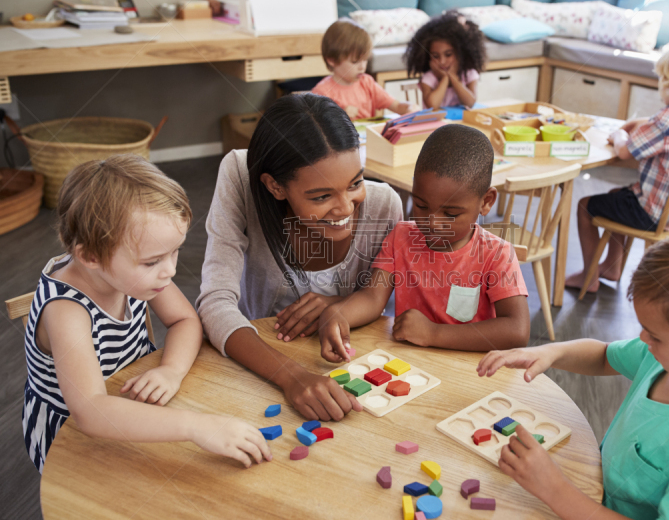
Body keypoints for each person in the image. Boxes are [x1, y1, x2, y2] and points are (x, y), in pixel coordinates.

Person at [477, 220, 669, 520]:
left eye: (654, 335)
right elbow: (604, 356)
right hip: (592, 493)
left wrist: (556, 490)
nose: (644, 339)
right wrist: (549, 351)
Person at [22, 156, 271, 473]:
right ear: (90, 256)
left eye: (174, 251)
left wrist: (171, 370)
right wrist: (195, 426)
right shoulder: (66, 311)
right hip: (72, 434)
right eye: (153, 261)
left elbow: (185, 320)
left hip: (133, 396)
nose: (170, 270)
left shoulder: (130, 272)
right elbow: (90, 410)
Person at [196, 93, 403, 420]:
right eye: (321, 196)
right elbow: (214, 302)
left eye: (355, 183)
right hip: (257, 363)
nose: (345, 208)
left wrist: (338, 303)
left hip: (347, 368)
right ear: (275, 187)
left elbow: (380, 301)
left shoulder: (385, 206)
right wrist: (291, 376)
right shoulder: (240, 175)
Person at [318, 124, 529, 361]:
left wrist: (434, 333)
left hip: (470, 372)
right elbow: (372, 298)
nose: (433, 223)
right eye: (421, 205)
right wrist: (338, 313)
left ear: (486, 201)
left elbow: (517, 330)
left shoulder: (496, 254)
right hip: (410, 365)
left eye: (450, 214)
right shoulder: (401, 237)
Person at [566, 43, 669, 293]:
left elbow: (625, 151)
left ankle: (589, 276)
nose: (660, 86)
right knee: (617, 194)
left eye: (662, 80)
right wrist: (644, 122)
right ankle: (612, 268)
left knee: (586, 207)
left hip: (651, 214)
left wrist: (618, 135)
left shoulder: (666, 120)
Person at [311, 18, 418, 119]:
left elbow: (397, 106)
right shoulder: (322, 92)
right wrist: (339, 115)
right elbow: (315, 127)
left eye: (365, 59)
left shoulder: (367, 83)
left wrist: (409, 108)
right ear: (332, 60)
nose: (362, 67)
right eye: (355, 62)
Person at [404, 11, 486, 110]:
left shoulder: (469, 74)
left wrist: (453, 77)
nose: (442, 61)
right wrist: (445, 78)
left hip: (459, 124)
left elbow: (470, 103)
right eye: (435, 56)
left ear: (460, 54)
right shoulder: (429, 78)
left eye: (448, 55)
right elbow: (432, 105)